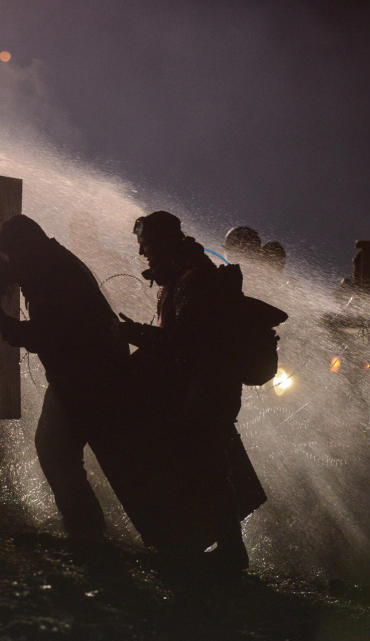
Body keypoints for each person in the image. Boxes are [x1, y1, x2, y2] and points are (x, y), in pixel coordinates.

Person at [116, 211, 266, 575]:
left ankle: (230, 552)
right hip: (200, 385)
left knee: (208, 466)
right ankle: (206, 543)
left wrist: (132, 333)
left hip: (209, 387)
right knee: (202, 464)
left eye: (147, 246)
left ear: (166, 243)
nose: (142, 255)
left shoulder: (193, 279)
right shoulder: (183, 275)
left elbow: (182, 340)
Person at [0, 215, 129, 539]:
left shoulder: (49, 274)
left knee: (57, 449)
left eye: (11, 257)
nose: (11, 268)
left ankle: (88, 531)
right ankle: (93, 529)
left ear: (22, 249)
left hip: (86, 376)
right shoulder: (52, 262)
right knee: (80, 452)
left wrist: (2, 322)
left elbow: (48, 334)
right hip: (89, 373)